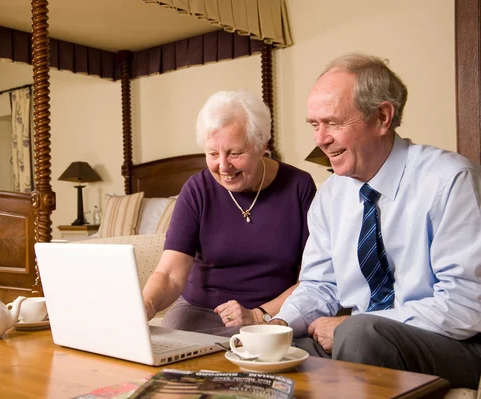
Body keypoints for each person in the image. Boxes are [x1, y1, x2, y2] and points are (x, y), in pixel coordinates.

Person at [270, 53, 481, 389]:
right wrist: (278, 324)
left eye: (333, 123)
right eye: (314, 124)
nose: (320, 139)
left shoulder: (448, 179)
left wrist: (354, 326)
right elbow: (319, 285)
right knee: (279, 351)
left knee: (358, 331)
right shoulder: (330, 196)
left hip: (453, 343)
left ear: (382, 117)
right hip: (364, 340)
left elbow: (465, 305)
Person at [142, 89, 317, 336]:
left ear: (261, 146)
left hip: (273, 314)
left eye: (235, 153)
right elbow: (170, 274)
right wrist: (146, 304)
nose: (223, 166)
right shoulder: (197, 189)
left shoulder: (299, 187)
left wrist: (259, 315)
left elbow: (311, 279)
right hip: (199, 311)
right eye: (213, 154)